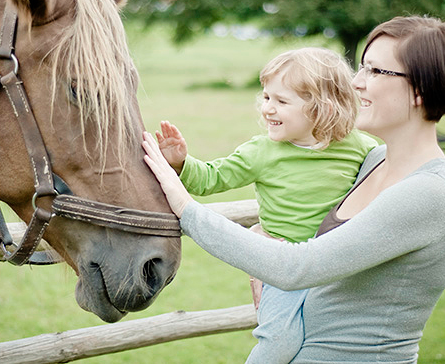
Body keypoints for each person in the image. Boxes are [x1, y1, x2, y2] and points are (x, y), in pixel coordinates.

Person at [142, 15, 445, 362]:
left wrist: (185, 207)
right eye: (360, 68)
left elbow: (297, 267)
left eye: (375, 71)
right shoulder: (373, 160)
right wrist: (263, 239)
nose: (356, 83)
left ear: (420, 89)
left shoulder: (433, 194)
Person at [155, 47, 377, 363]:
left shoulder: (361, 149)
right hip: (281, 267)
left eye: (281, 101)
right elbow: (211, 179)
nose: (267, 109)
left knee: (328, 345)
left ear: (322, 108)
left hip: (335, 270)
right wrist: (180, 163)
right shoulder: (262, 151)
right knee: (279, 344)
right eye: (266, 97)